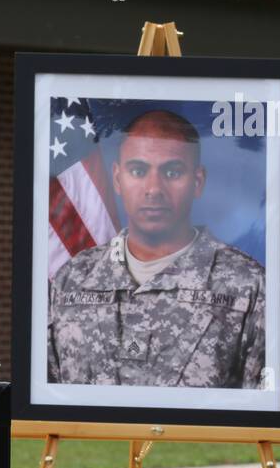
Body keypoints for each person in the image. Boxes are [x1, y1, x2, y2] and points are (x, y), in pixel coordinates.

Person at [48, 109, 265, 388]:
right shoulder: (71, 278)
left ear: (197, 182)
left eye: (172, 171)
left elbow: (259, 415)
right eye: (138, 171)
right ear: (117, 179)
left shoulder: (248, 285)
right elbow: (51, 400)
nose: (153, 188)